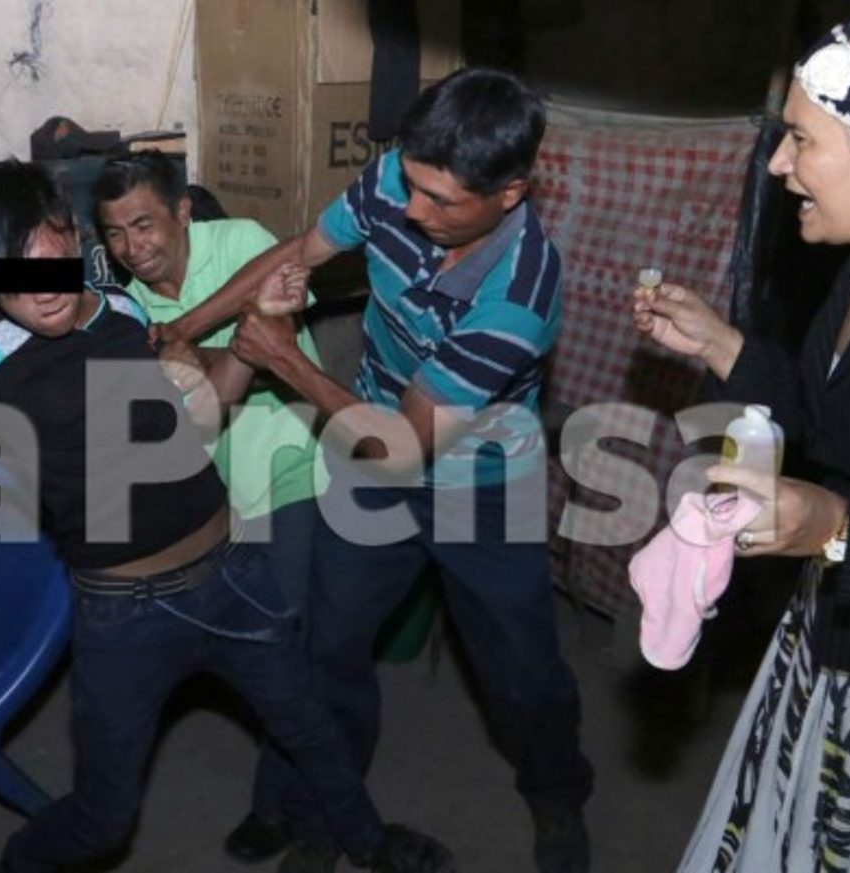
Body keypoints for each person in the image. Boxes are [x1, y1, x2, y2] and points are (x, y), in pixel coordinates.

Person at [0, 157, 454, 873]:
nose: (38, 291)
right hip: (123, 612)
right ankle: (17, 863)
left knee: (310, 725)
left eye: (46, 260)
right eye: (9, 276)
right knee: (105, 817)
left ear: (73, 238)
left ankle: (369, 841)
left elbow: (192, 422)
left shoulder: (125, 308)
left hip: (230, 574)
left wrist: (253, 337)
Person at [166, 67, 594, 873]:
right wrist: (185, 329)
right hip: (369, 461)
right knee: (330, 647)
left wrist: (286, 361)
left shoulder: (521, 296)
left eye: (441, 202)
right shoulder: (402, 176)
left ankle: (558, 793)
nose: (411, 210)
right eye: (412, 185)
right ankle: (332, 806)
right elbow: (301, 249)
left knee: (524, 676)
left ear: (509, 193)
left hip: (479, 487)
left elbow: (403, 444)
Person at [632, 10, 850, 870]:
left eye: (799, 140)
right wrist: (723, 345)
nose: (779, 165)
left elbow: (849, 497)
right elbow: (837, 427)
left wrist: (838, 525)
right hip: (830, 641)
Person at [91, 151, 332, 864]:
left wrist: (185, 332)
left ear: (183, 210)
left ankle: (281, 805)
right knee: (255, 649)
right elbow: (11, 277)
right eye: (113, 233)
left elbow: (269, 308)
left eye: (145, 223)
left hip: (288, 472)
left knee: (287, 651)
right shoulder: (124, 296)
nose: (134, 247)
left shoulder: (244, 243)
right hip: (214, 499)